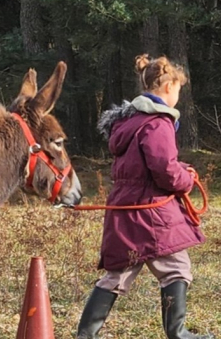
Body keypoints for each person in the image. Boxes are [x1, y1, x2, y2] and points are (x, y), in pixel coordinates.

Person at [76, 54, 213, 339]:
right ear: (167, 87)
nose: (178, 95)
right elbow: (164, 169)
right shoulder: (158, 122)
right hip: (151, 210)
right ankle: (178, 333)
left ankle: (85, 335)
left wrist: (177, 168)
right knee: (176, 268)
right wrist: (185, 178)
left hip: (124, 207)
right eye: (177, 89)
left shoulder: (129, 122)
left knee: (118, 273)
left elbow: (146, 165)